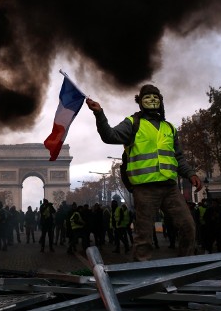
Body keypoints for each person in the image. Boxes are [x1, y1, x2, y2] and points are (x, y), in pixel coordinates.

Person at [86, 84, 203, 261]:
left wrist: (191, 174)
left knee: (188, 227)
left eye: (156, 97)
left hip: (170, 188)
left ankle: (184, 266)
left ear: (161, 101)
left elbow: (178, 157)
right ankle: (140, 274)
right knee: (144, 237)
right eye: (147, 97)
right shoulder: (133, 123)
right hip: (145, 189)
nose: (152, 100)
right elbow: (109, 136)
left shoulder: (169, 128)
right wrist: (99, 113)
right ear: (140, 102)